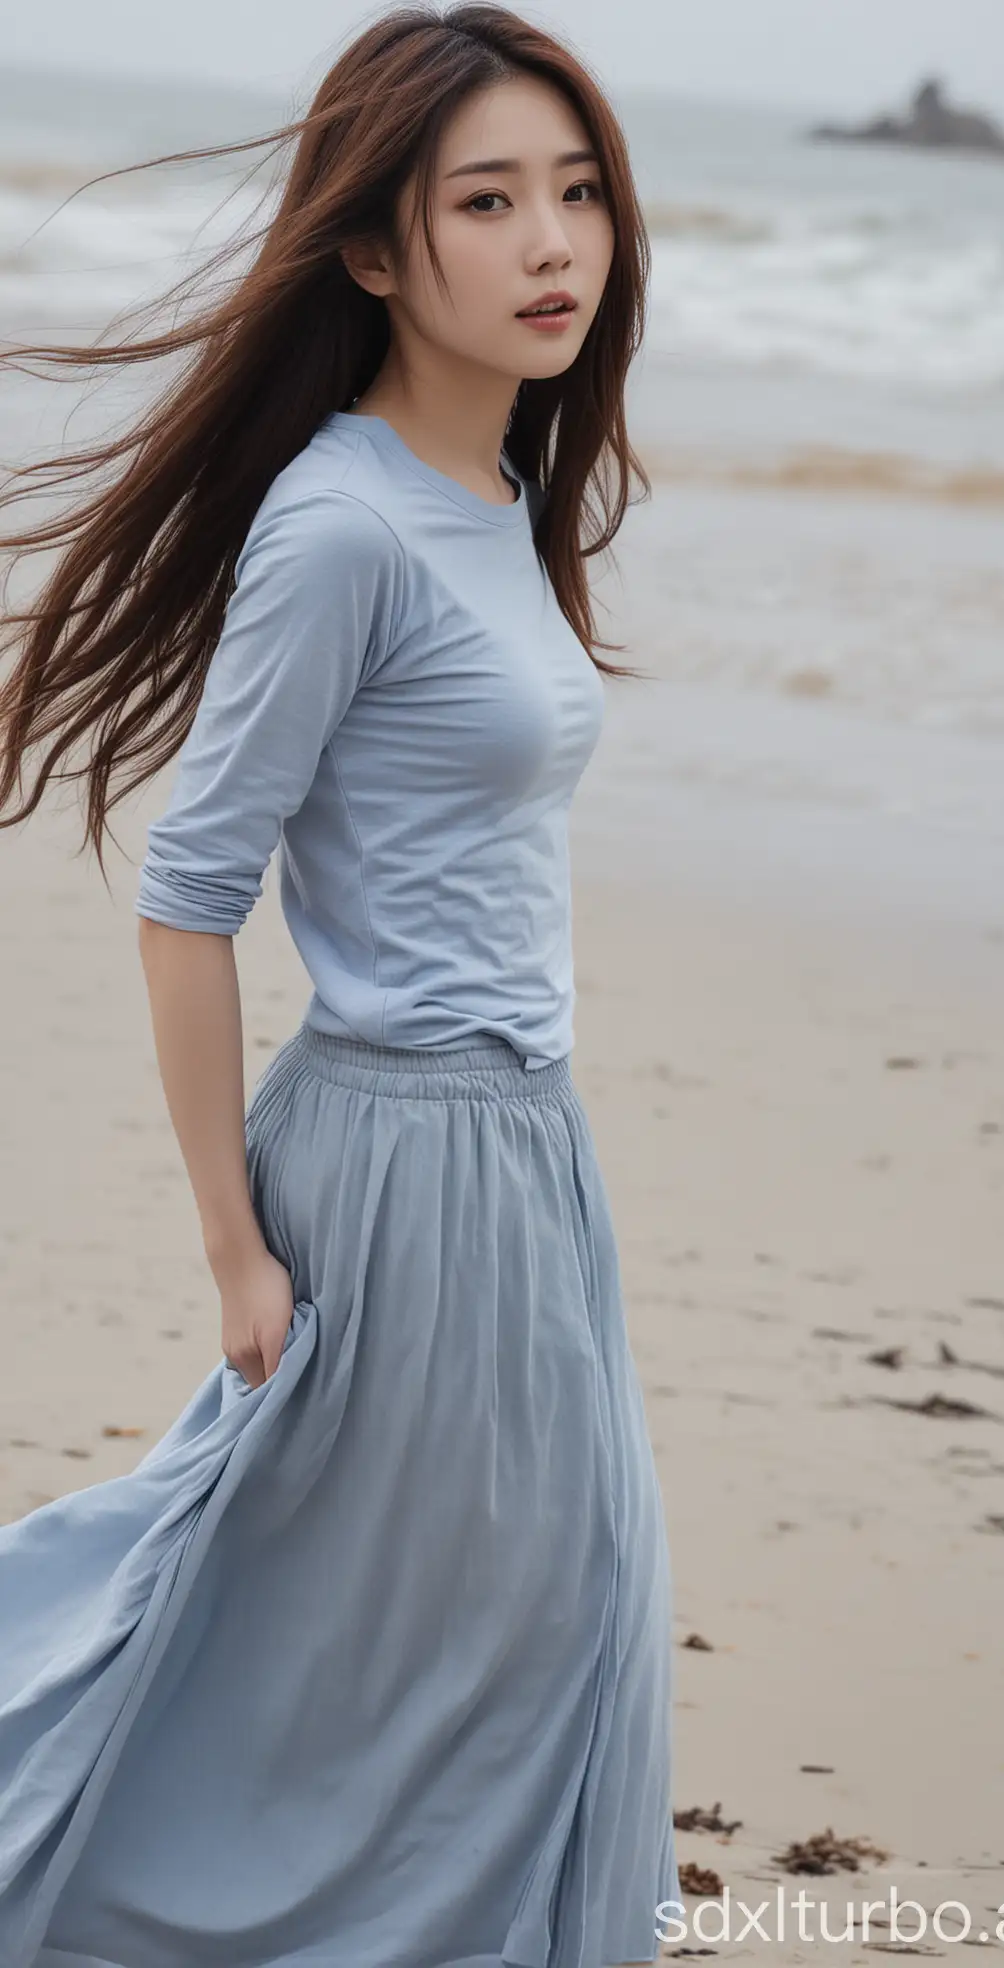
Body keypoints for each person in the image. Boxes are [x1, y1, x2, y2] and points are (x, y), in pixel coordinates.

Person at [0, 7, 678, 1964]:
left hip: (529, 1153)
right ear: (375, 251)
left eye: (579, 193)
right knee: (458, 1643)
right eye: (490, 201)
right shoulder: (341, 519)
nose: (555, 241)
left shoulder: (492, 499)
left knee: (506, 1631)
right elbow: (191, 897)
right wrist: (236, 1252)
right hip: (394, 1157)